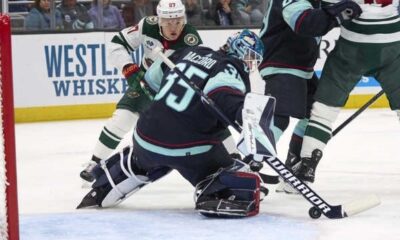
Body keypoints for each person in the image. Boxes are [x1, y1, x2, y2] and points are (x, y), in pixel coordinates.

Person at [77, 29, 268, 218]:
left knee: (142, 157)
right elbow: (224, 94)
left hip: (145, 138)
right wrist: (245, 116)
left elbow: (151, 81)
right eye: (251, 57)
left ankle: (109, 180)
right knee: (237, 174)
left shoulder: (188, 51)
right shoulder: (230, 67)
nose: (251, 64)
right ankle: (215, 193)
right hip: (190, 152)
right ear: (239, 50)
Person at [79, 0, 203, 182]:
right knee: (122, 118)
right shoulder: (147, 26)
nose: (173, 27)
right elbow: (117, 44)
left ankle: (229, 161)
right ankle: (95, 162)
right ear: (159, 20)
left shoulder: (191, 39)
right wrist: (129, 68)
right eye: (168, 22)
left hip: (173, 90)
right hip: (144, 81)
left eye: (177, 21)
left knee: (197, 125)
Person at [257, 0, 362, 192]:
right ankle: (247, 166)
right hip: (282, 63)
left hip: (300, 67)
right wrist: (338, 12)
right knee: (279, 118)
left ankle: (294, 167)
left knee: (314, 115)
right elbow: (304, 23)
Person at [293, 1, 400, 186]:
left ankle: (307, 164)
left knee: (324, 109)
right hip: (393, 44)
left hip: (354, 46)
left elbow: (328, 12)